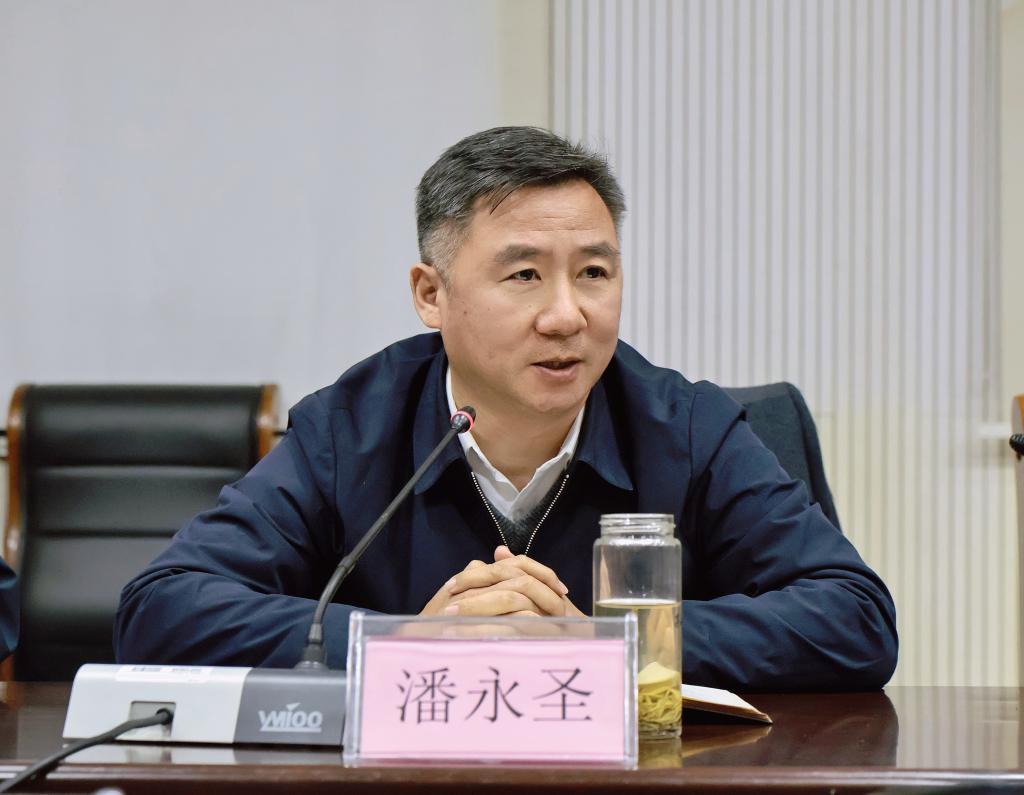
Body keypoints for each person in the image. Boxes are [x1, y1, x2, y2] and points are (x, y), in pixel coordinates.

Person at [114, 127, 897, 690]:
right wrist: (406, 640)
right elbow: (160, 610)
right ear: (431, 294)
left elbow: (855, 616)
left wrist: (608, 642)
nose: (566, 314)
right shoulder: (349, 431)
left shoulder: (685, 427)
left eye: (593, 273)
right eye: (524, 275)